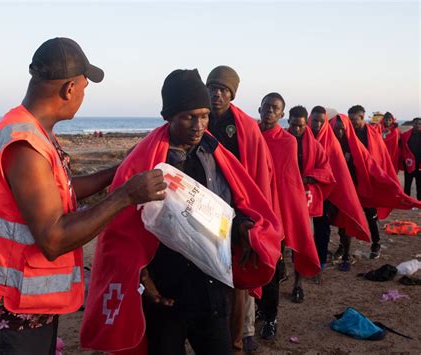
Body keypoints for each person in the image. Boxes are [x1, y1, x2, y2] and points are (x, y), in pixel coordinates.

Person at [0, 37, 167, 354]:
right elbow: (53, 238)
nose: (82, 95)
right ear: (69, 89)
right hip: (5, 315)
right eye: (84, 87)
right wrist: (124, 196)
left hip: (19, 305)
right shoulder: (25, 146)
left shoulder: (28, 129)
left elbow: (59, 191)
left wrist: (118, 171)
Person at [80, 69, 282, 354]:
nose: (198, 125)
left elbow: (237, 203)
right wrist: (143, 277)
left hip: (211, 285)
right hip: (166, 290)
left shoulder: (215, 154)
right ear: (168, 116)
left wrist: (244, 226)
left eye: (204, 116)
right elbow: (121, 231)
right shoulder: (145, 160)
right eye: (189, 117)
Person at [206, 65, 280, 353]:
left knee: (237, 276)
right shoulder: (200, 118)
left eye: (223, 89)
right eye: (212, 87)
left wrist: (251, 220)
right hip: (205, 208)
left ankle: (238, 339)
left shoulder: (246, 127)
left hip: (238, 213)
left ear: (232, 94)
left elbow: (259, 177)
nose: (217, 93)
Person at [257, 93, 320, 340]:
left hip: (276, 215)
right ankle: (260, 309)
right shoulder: (250, 135)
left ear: (281, 115)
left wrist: (286, 218)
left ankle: (271, 317)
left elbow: (288, 182)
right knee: (253, 265)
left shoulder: (287, 142)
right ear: (259, 109)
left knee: (270, 269)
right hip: (250, 211)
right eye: (266, 107)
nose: (270, 112)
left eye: (275, 109)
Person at [330, 113, 421, 265]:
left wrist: (390, 184)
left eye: (343, 127)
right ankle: (342, 248)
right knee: (344, 218)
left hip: (363, 185)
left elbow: (374, 162)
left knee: (371, 214)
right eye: (336, 128)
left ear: (361, 117)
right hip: (345, 188)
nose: (340, 131)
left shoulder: (359, 139)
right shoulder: (334, 142)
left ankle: (376, 244)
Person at [308, 106, 370, 271]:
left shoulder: (341, 142)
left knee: (335, 224)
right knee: (312, 225)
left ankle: (340, 255)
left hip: (338, 189)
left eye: (322, 121)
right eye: (315, 120)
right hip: (315, 189)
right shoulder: (315, 137)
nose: (319, 125)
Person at [287, 105, 336, 300]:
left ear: (304, 123)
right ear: (288, 121)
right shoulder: (282, 140)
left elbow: (326, 170)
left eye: (300, 126)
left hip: (304, 200)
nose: (297, 129)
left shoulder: (315, 145)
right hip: (283, 197)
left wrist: (307, 178)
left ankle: (298, 284)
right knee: (280, 242)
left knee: (302, 241)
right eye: (293, 125)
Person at [400, 117, 421, 200]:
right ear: (413, 124)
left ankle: (419, 202)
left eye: (420, 124)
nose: (418, 125)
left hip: (420, 165)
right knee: (407, 184)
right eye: (416, 123)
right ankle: (407, 201)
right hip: (409, 164)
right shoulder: (405, 135)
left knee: (420, 185)